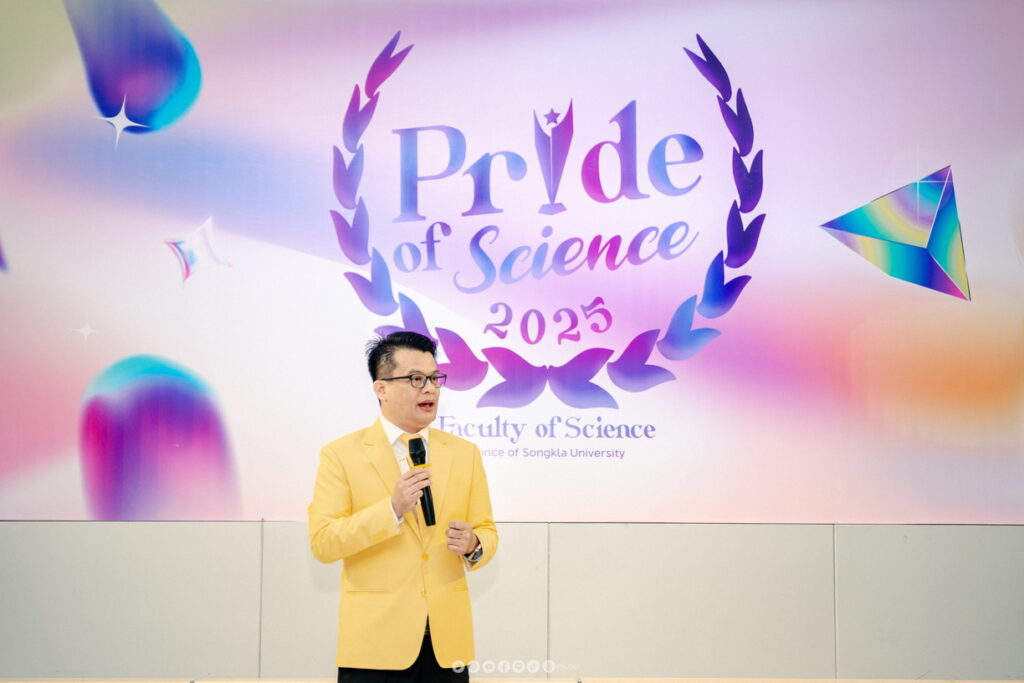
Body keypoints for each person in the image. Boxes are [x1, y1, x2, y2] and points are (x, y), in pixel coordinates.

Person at [308, 331, 498, 682]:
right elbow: (324, 542)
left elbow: (486, 530)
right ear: (381, 388)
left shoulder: (464, 453)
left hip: (447, 647)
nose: (430, 389)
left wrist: (473, 544)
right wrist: (392, 509)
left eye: (434, 378)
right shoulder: (341, 455)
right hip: (375, 647)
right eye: (415, 379)